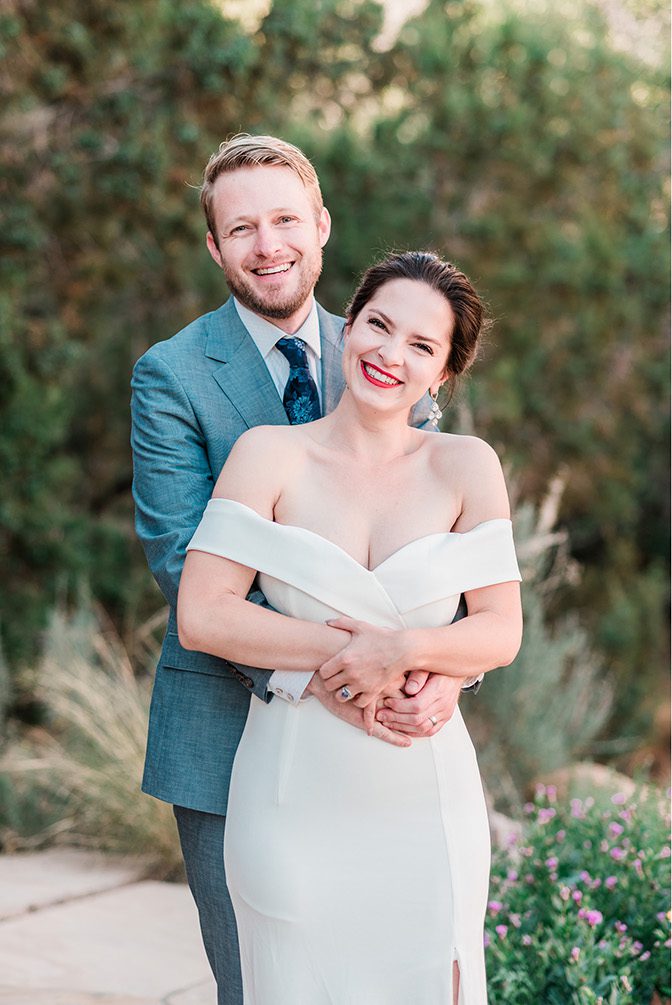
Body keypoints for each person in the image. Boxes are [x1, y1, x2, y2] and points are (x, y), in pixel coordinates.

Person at [130, 135, 484, 1004]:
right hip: (229, 723)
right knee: (264, 983)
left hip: (394, 744)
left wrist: (444, 669)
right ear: (215, 247)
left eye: (286, 218)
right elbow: (184, 562)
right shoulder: (171, 374)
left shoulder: (393, 345)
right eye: (241, 227)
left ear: (322, 227)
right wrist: (335, 668)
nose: (269, 244)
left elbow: (442, 550)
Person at [176, 249, 522, 1003]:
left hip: (427, 803)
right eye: (379, 325)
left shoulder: (467, 466)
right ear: (347, 326)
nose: (390, 354)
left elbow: (501, 629)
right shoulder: (268, 454)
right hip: (290, 795)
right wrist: (347, 654)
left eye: (422, 346)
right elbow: (202, 613)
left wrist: (408, 650)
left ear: (444, 373)